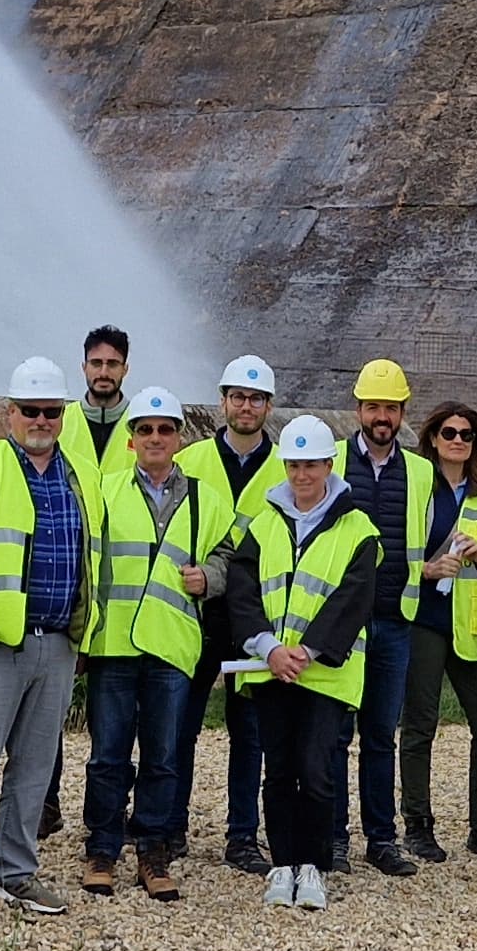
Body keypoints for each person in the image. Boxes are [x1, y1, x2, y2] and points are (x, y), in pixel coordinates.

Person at [0, 357, 90, 925]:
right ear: (10, 412)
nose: (41, 420)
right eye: (30, 410)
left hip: (55, 644)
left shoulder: (78, 476)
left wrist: (78, 634)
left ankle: (15, 872)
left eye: (52, 411)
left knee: (34, 766)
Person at [229, 417, 381, 912]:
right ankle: (282, 866)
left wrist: (306, 652)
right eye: (294, 464)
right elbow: (244, 590)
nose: (302, 474)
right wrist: (269, 649)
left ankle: (312, 866)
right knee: (278, 771)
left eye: (311, 464)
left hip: (326, 673)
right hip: (271, 669)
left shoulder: (358, 528)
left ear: (329, 465)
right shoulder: (265, 522)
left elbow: (353, 600)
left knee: (316, 771)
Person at [77, 387, 208, 898]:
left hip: (170, 647)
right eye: (146, 429)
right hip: (113, 646)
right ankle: (103, 848)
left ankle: (152, 849)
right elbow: (88, 563)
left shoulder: (203, 499)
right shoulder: (105, 492)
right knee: (107, 755)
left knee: (163, 755)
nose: (156, 437)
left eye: (165, 429)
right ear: (131, 440)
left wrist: (210, 578)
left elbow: (228, 557)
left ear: (179, 437)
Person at [398, 402, 477, 864]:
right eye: (449, 432)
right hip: (423, 619)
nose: (458, 441)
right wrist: (424, 570)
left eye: (467, 434)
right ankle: (417, 823)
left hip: (468, 625)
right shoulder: (415, 485)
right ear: (432, 436)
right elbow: (390, 551)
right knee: (420, 724)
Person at [335, 358, 436, 879]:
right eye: (373, 406)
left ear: (402, 414)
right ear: (358, 409)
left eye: (391, 408)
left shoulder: (420, 472)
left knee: (380, 735)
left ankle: (380, 839)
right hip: (339, 625)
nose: (382, 416)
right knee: (333, 735)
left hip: (396, 619)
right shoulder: (330, 463)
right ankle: (332, 838)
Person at [185, 354, 281, 872]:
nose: (246, 406)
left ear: (268, 405)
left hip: (255, 615)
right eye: (238, 397)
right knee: (182, 723)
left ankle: (243, 836)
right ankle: (170, 827)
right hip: (198, 611)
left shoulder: (285, 464)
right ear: (223, 402)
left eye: (256, 398)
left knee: (249, 732)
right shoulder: (192, 458)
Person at [66, 325, 134, 503]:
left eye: (112, 364)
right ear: (84, 367)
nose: (104, 372)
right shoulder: (59, 422)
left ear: (125, 369)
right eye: (96, 363)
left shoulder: (144, 424)